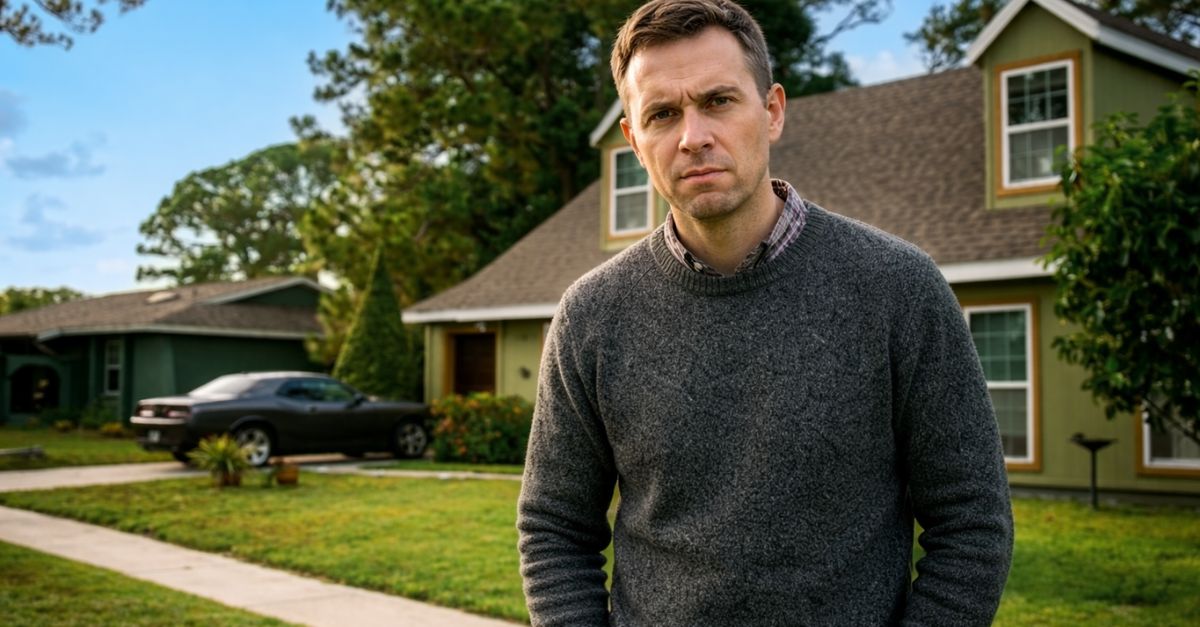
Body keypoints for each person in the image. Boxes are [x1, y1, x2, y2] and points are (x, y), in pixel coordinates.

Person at [516, 1, 1014, 624]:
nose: (693, 136)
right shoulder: (591, 317)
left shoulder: (898, 288)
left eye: (719, 101)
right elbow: (554, 529)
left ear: (772, 111)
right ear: (634, 142)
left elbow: (972, 521)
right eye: (663, 114)